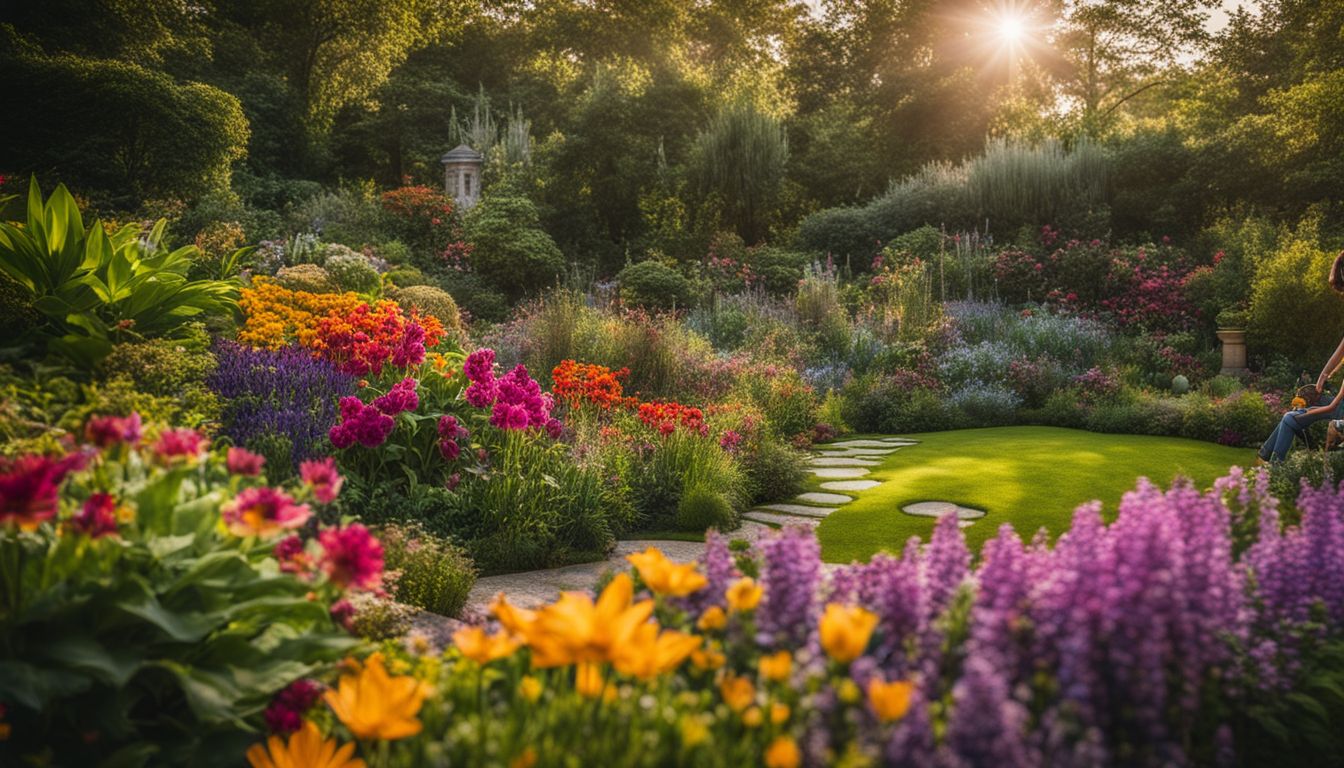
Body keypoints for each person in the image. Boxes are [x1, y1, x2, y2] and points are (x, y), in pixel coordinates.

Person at [1258, 251, 1344, 462]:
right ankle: (1266, 461)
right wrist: (1324, 375)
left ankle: (1273, 468)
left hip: (1339, 410)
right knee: (1291, 417)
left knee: (1290, 417)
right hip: (1339, 404)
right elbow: (1340, 350)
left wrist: (1307, 411)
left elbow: (1333, 408)